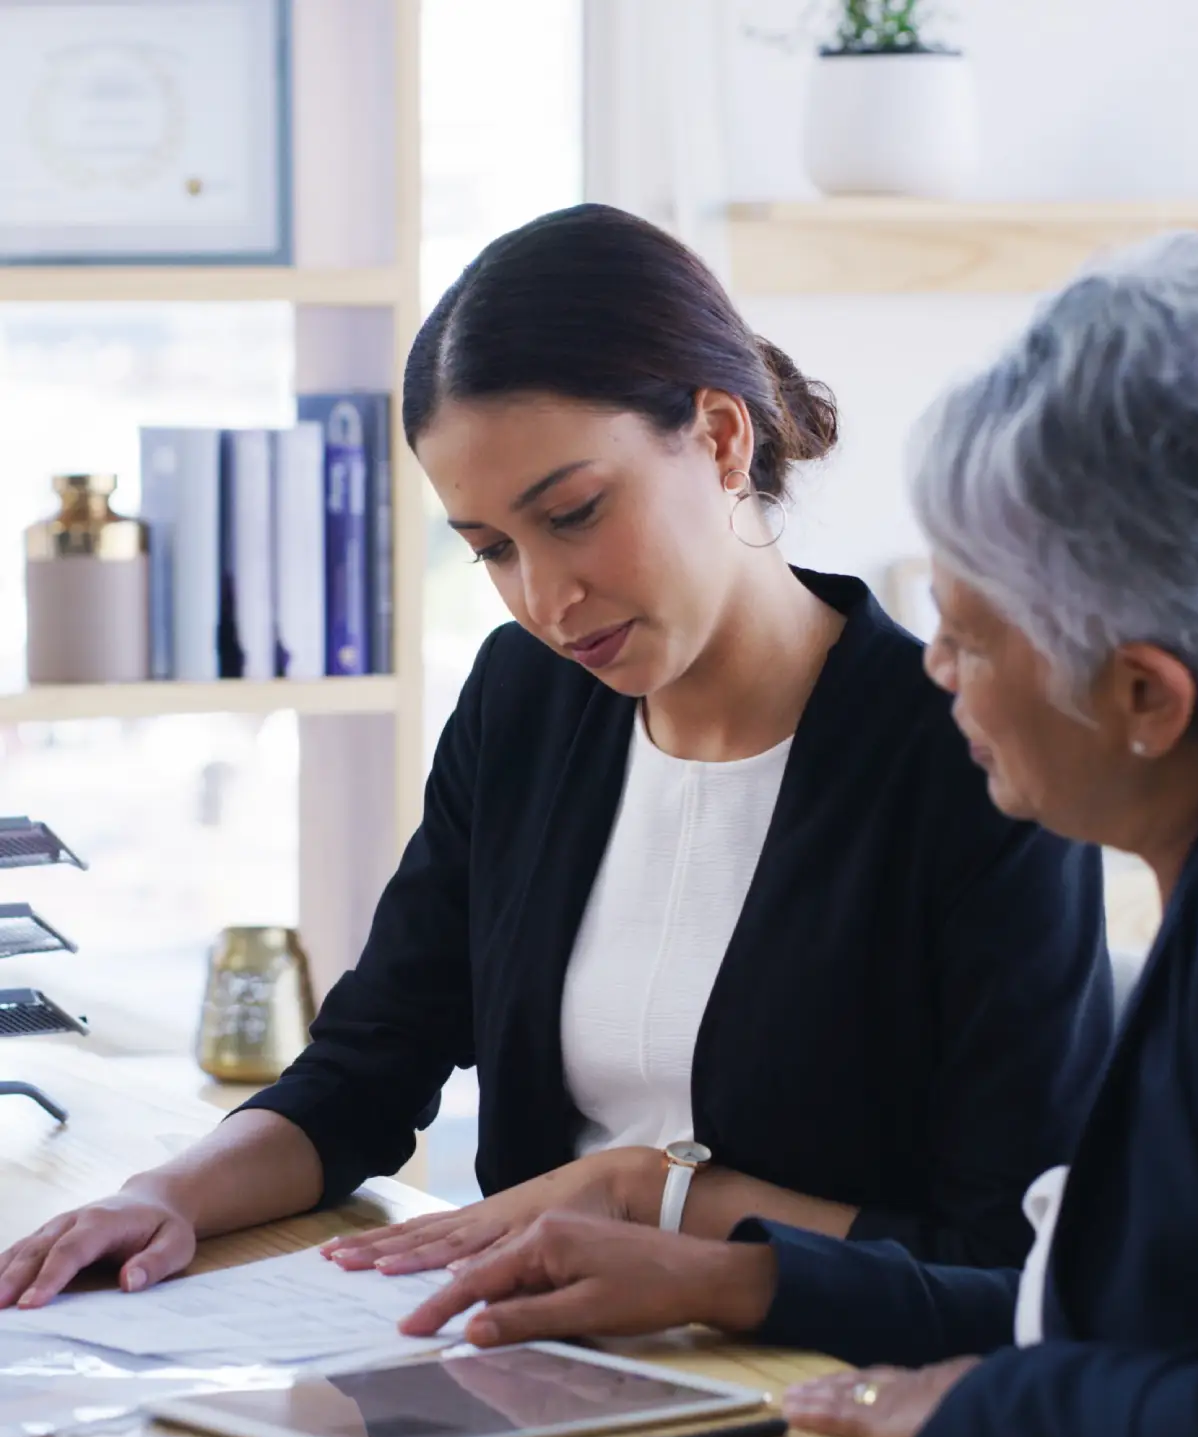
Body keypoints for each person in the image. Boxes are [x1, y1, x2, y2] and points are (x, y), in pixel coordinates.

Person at [390, 233, 1198, 1437]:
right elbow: (1124, 1318)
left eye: (967, 631)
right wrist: (742, 1279)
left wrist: (957, 1410)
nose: (934, 670)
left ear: (1143, 696)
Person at [0, 205, 1114, 1313]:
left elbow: (1006, 1265)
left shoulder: (972, 757)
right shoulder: (523, 703)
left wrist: (648, 1194)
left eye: (575, 513)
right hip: (524, 1365)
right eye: (490, 550)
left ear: (723, 438)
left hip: (827, 1396)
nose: (545, 600)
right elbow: (364, 1072)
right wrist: (166, 1195)